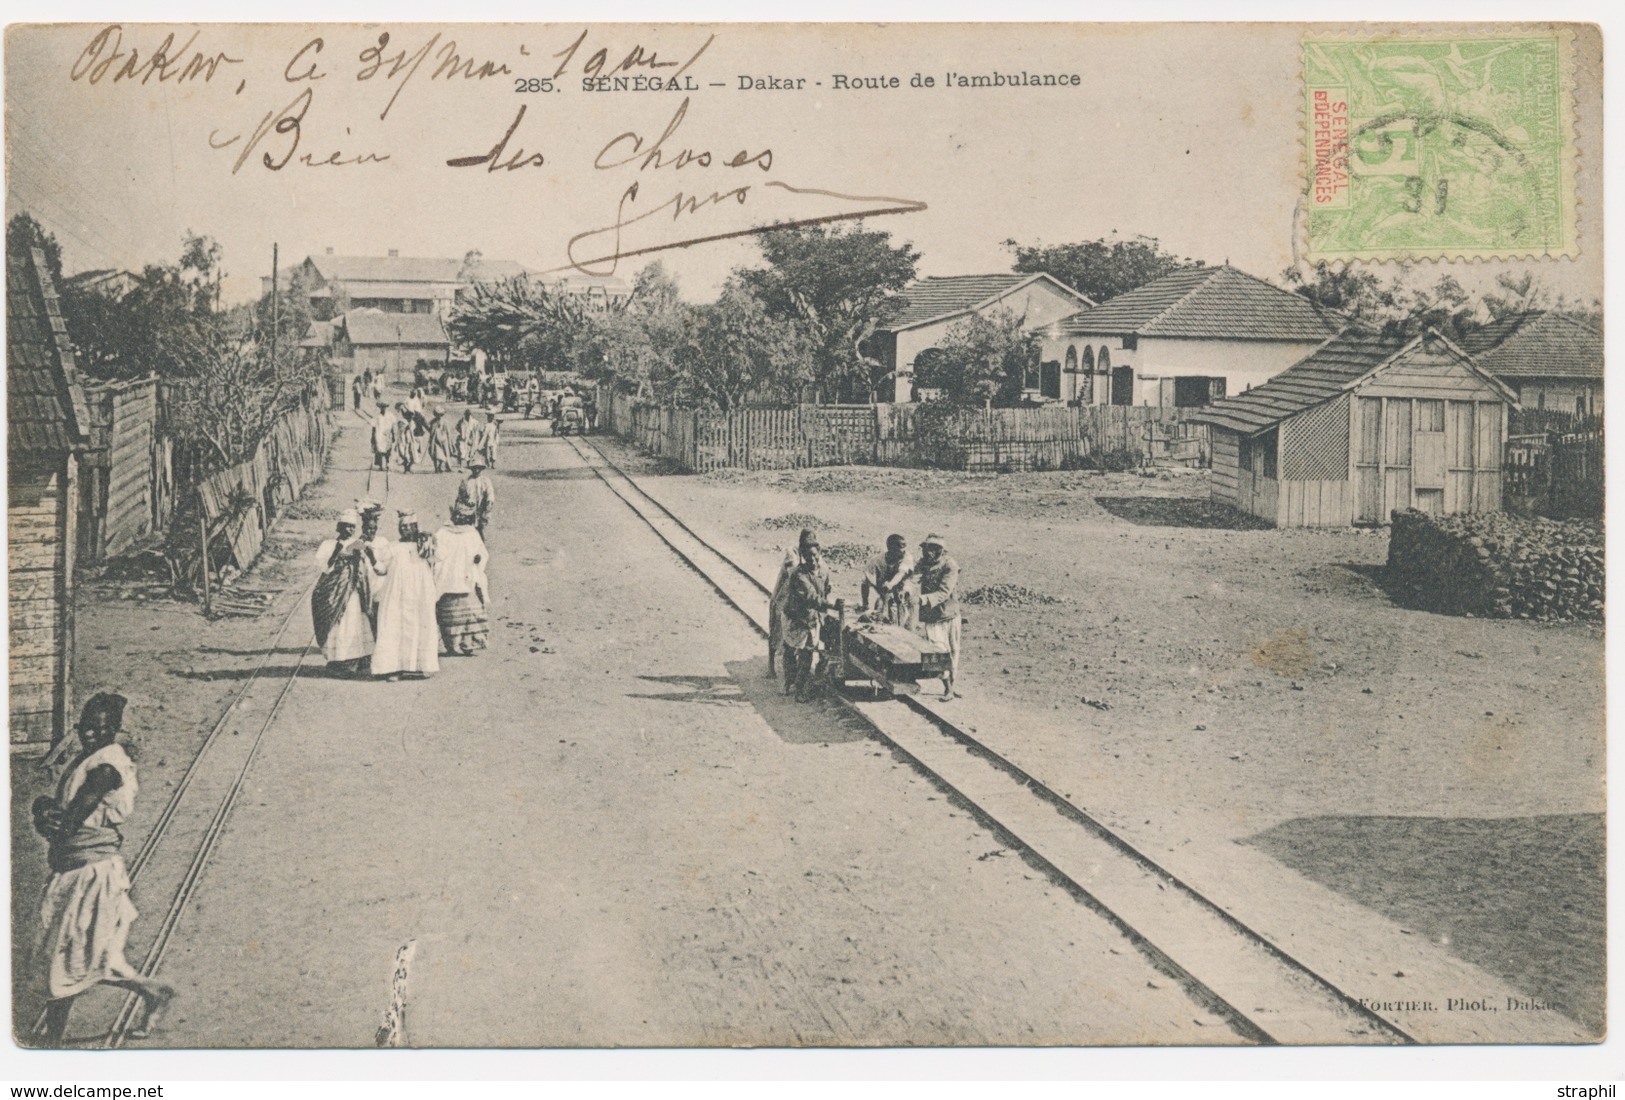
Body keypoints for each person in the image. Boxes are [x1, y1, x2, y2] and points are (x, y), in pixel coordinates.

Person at [32, 694, 176, 1045]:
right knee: (99, 958)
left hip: (91, 876)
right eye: (87, 727)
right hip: (78, 870)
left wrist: (47, 815)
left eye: (102, 728)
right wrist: (46, 808)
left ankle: (51, 1046)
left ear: (114, 730)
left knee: (62, 961)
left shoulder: (106, 768)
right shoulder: (90, 758)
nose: (92, 734)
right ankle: (155, 993)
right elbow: (66, 812)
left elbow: (72, 819)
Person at [369, 511, 440, 680]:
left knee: (419, 623)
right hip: (397, 594)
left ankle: (417, 667)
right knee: (394, 626)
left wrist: (429, 540)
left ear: (416, 527)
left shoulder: (423, 544)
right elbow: (381, 570)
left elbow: (437, 557)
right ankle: (393, 668)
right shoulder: (393, 547)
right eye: (402, 527)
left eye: (409, 526)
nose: (405, 530)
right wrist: (370, 556)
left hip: (420, 593)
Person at [311, 509, 374, 677]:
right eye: (346, 526)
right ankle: (338, 659)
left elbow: (366, 567)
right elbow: (324, 568)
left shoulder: (359, 544)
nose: (349, 530)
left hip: (353, 591)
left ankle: (356, 659)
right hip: (334, 590)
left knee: (354, 622)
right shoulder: (329, 544)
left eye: (352, 527)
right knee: (335, 623)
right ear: (339, 527)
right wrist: (336, 553)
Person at [782, 529, 837, 702]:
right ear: (802, 557)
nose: (812, 560)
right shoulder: (798, 574)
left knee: (808, 654)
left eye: (815, 555)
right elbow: (811, 597)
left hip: (812, 618)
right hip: (796, 618)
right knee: (793, 652)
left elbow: (826, 590)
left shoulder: (824, 571)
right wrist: (832, 605)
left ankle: (804, 686)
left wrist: (826, 608)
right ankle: (793, 686)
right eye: (808, 557)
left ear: (819, 552)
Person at [433, 502, 490, 655]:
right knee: (449, 616)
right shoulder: (442, 533)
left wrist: (478, 559)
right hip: (448, 580)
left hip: (466, 580)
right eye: (458, 516)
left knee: (470, 614)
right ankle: (452, 646)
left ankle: (469, 645)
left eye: (464, 517)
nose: (460, 519)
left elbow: (481, 553)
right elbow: (436, 555)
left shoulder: (472, 534)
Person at [913, 534, 961, 700]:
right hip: (932, 618)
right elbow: (913, 578)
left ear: (940, 551)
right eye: (926, 549)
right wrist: (906, 588)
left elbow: (944, 592)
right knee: (938, 651)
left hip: (950, 614)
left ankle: (952, 686)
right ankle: (947, 688)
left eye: (933, 549)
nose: (928, 552)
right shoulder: (922, 563)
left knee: (954, 652)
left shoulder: (950, 566)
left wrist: (922, 599)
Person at [862, 533, 917, 629]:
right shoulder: (876, 561)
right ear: (890, 548)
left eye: (904, 548)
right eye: (900, 549)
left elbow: (901, 573)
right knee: (880, 613)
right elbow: (866, 583)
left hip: (904, 589)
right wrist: (865, 604)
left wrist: (891, 584)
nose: (903, 552)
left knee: (907, 622)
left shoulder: (907, 557)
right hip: (885, 591)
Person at [766, 549, 798, 678]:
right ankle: (771, 665)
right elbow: (792, 573)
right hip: (782, 598)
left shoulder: (811, 554)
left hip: (795, 598)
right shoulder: (792, 554)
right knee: (776, 632)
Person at [456, 461, 496, 542]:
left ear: (481, 469)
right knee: (470, 528)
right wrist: (466, 502)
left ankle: (480, 544)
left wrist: (489, 502)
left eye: (478, 468)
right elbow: (461, 495)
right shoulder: (466, 481)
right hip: (469, 508)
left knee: (480, 526)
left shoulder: (485, 480)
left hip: (481, 506)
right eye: (474, 468)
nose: (476, 470)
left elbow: (490, 492)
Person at [369, 403, 396, 472]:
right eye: (382, 407)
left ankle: (387, 464)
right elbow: (374, 427)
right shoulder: (377, 416)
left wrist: (393, 435)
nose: (383, 409)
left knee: (388, 449)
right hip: (379, 435)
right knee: (379, 450)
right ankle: (380, 465)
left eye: (384, 407)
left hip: (387, 434)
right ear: (380, 408)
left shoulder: (390, 415)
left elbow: (393, 426)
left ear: (386, 407)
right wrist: (372, 437)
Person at [427, 409, 454, 473]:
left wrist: (449, 440)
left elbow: (448, 431)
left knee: (445, 454)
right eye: (437, 415)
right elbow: (429, 429)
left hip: (444, 440)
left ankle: (441, 466)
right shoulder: (433, 421)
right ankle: (436, 468)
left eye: (440, 415)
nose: (439, 416)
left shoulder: (444, 421)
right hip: (435, 440)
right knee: (435, 455)